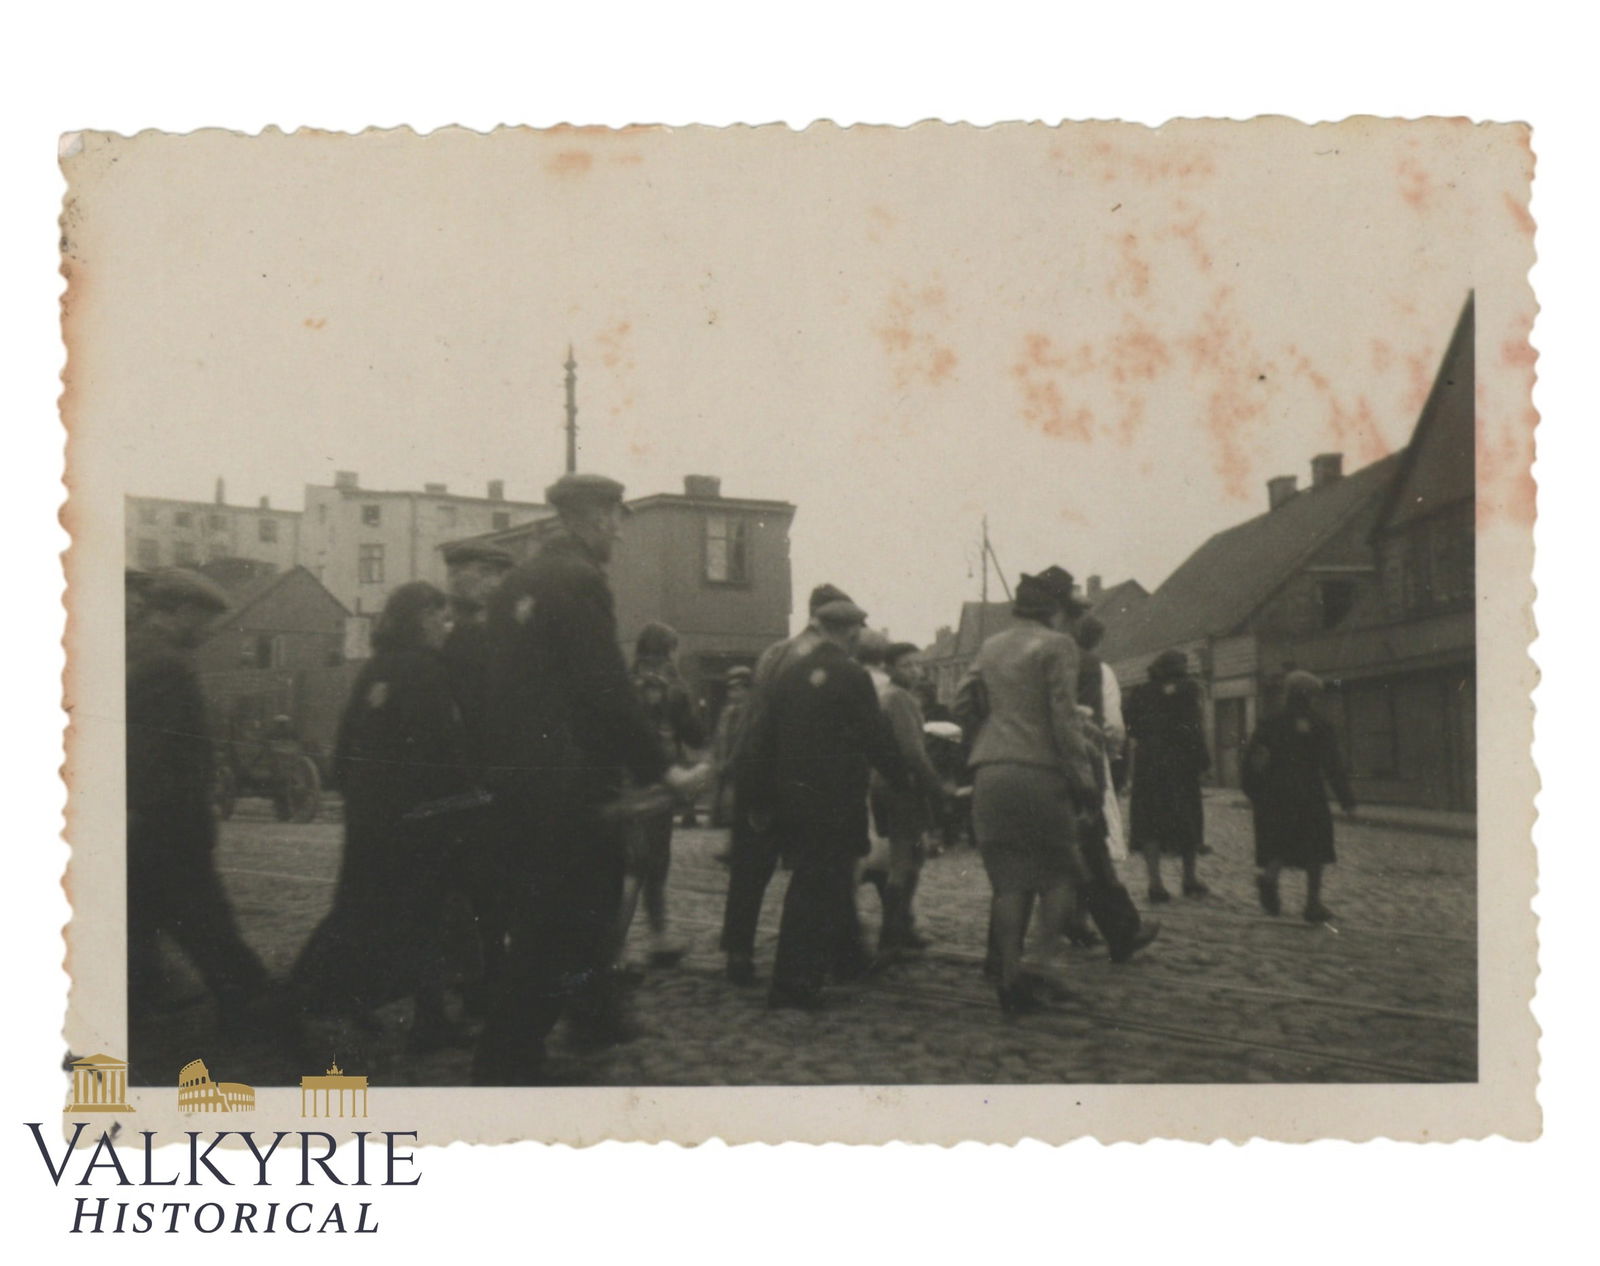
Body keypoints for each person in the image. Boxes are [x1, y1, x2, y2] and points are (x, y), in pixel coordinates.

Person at [472, 474, 700, 1083]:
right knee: (570, 920)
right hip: (569, 783)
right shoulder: (579, 580)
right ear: (598, 518)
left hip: (518, 778)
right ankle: (507, 1060)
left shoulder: (514, 583)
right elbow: (604, 688)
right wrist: (663, 769)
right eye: (618, 521)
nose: (619, 535)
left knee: (561, 914)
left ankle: (595, 1018)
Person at [290, 582, 473, 1052]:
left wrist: (362, 798)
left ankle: (312, 999)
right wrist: (469, 793)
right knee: (427, 915)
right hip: (417, 818)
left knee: (359, 910)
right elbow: (440, 749)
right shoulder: (426, 670)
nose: (445, 627)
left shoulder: (377, 666)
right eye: (440, 617)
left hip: (372, 816)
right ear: (420, 619)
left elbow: (346, 748)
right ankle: (428, 1019)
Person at [126, 570, 270, 1043]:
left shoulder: (133, 649)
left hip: (143, 820)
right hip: (168, 821)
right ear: (182, 613)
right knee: (207, 923)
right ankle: (253, 1011)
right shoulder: (169, 664)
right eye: (205, 620)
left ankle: (138, 1007)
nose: (208, 631)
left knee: (142, 917)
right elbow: (150, 749)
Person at [745, 597, 908, 1009]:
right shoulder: (851, 675)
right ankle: (794, 983)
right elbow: (876, 736)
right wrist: (902, 778)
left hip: (793, 797)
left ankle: (841, 960)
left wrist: (762, 794)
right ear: (851, 632)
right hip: (835, 799)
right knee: (820, 887)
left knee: (818, 883)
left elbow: (765, 735)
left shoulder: (792, 672)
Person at [957, 570, 1102, 1014]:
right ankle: (1042, 965)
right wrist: (1085, 780)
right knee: (1061, 872)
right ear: (1057, 610)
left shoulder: (991, 646)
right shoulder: (1058, 646)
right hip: (1038, 769)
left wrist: (994, 727)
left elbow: (962, 703)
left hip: (991, 770)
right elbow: (1062, 718)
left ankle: (1008, 976)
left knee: (1009, 881)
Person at [717, 582, 855, 986]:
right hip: (798, 777)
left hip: (756, 770)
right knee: (822, 865)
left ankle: (739, 954)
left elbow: (753, 716)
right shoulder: (827, 657)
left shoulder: (774, 652)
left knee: (750, 872)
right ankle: (839, 956)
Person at [437, 541, 516, 1015]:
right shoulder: (477, 640)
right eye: (493, 575)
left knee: (477, 887)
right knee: (485, 887)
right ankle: (481, 982)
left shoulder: (457, 639)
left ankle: (478, 978)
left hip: (470, 781)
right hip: (485, 782)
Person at [609, 622, 708, 972]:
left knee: (632, 865)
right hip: (659, 783)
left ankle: (655, 938)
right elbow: (695, 734)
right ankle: (620, 950)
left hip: (621, 783)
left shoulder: (622, 680)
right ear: (669, 650)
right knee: (647, 868)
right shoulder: (673, 686)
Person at [1243, 670, 1357, 923]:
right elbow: (1333, 765)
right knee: (1314, 847)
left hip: (1275, 794)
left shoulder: (1269, 723)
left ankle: (1269, 878)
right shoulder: (1320, 725)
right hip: (1309, 794)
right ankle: (1312, 904)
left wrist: (1253, 791)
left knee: (1281, 841)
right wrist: (1346, 800)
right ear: (1310, 697)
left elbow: (1253, 760)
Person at [873, 642, 954, 953]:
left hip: (886, 784)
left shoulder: (887, 697)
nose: (915, 671)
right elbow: (913, 752)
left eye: (917, 665)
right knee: (904, 861)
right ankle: (893, 934)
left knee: (913, 857)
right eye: (907, 665)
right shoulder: (901, 699)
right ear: (891, 668)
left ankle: (901, 926)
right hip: (903, 787)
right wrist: (935, 787)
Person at [1126, 648, 1210, 903]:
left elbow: (1131, 725)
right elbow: (1195, 726)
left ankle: (1155, 883)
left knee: (1149, 820)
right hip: (1181, 763)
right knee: (1187, 817)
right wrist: (1203, 761)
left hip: (1149, 763)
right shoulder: (1191, 689)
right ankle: (1189, 878)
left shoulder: (1140, 692)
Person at [709, 665, 753, 832]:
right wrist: (718, 760)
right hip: (725, 768)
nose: (733, 693)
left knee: (739, 808)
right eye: (731, 689)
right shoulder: (727, 713)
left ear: (747, 690)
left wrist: (731, 761)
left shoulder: (753, 713)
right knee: (727, 809)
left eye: (738, 689)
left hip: (742, 768)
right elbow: (719, 739)